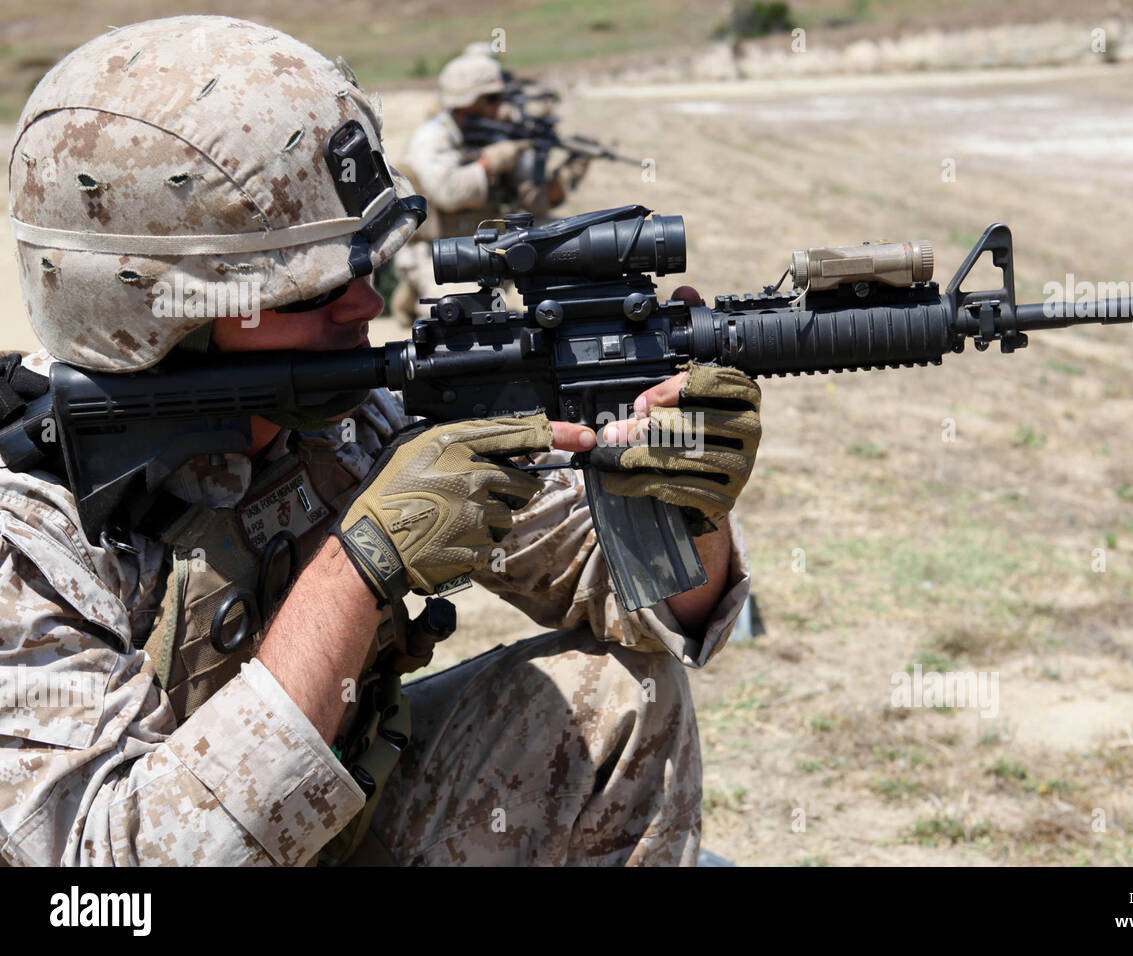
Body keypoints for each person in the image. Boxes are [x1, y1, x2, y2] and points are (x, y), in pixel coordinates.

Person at [0, 16, 760, 866]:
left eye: (363, 265)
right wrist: (357, 570)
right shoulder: (30, 536)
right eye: (306, 288)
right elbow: (102, 884)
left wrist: (678, 500)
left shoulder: (352, 414)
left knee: (621, 695)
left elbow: (637, 606)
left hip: (336, 828)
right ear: (153, 314)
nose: (363, 305)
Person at [388, 51, 586, 325]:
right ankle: (412, 293)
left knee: (567, 241)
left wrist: (567, 173)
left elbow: (535, 202)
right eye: (491, 99)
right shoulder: (433, 138)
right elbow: (449, 195)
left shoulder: (498, 132)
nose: (500, 106)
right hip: (440, 250)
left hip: (493, 244)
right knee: (466, 319)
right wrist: (488, 164)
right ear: (466, 101)